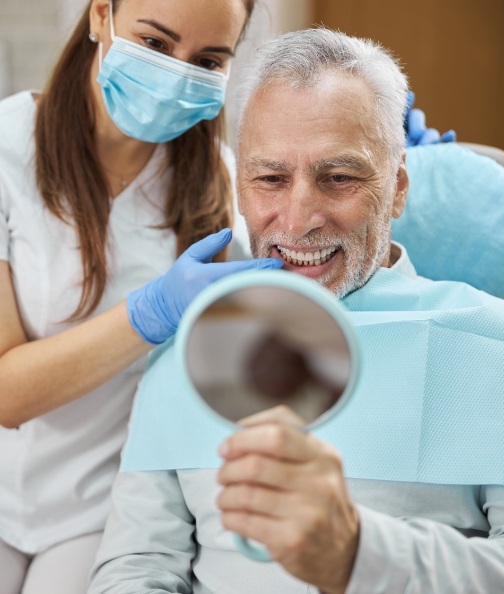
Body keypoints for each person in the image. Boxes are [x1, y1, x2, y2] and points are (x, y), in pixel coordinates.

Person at [88, 28, 504, 594]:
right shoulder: (185, 352)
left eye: (339, 178)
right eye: (270, 179)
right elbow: (137, 565)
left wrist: (359, 554)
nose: (297, 220)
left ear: (397, 188)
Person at [0, 1, 295, 592]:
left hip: (102, 505)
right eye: (157, 44)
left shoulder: (221, 185)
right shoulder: (8, 148)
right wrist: (151, 312)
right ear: (100, 15)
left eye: (208, 59)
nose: (178, 73)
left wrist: (393, 166)